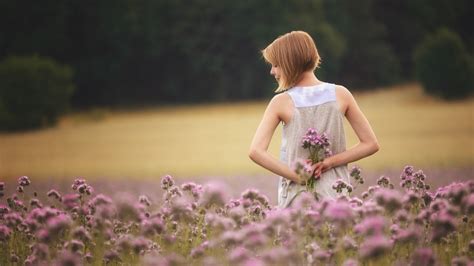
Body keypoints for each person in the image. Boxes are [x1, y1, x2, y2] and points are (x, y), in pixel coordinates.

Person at [248, 31, 379, 208]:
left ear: (289, 63)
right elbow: (370, 143)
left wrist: (295, 176)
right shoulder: (341, 94)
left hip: (298, 199)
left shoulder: (280, 102)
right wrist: (329, 163)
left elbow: (255, 151)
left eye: (276, 65)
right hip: (336, 197)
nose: (272, 71)